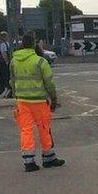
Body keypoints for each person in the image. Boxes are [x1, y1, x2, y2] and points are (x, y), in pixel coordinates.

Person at [10, 32, 63, 172]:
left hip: (22, 101)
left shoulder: (14, 60)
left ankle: (29, 161)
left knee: (26, 130)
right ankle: (48, 158)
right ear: (34, 44)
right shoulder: (40, 61)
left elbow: (12, 80)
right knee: (44, 128)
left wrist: (16, 97)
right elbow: (49, 83)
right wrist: (54, 98)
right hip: (39, 100)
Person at [0, 31, 12, 97]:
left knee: (3, 76)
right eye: (6, 36)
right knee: (5, 76)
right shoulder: (3, 44)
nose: (7, 37)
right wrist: (7, 62)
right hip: (4, 63)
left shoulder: (1, 43)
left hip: (1, 62)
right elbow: (4, 53)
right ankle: (4, 90)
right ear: (4, 37)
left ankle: (2, 90)